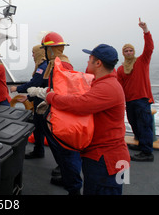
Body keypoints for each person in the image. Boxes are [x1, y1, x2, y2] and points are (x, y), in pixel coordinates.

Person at [46, 44, 130, 195]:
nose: (87, 63)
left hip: (107, 160)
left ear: (98, 63)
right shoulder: (104, 83)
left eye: (89, 59)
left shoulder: (108, 87)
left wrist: (52, 97)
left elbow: (80, 104)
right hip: (105, 158)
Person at [27, 32, 82, 195]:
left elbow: (64, 92)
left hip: (62, 114)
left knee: (67, 151)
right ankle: (68, 178)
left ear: (51, 49)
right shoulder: (55, 64)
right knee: (63, 151)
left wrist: (42, 93)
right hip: (57, 111)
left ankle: (73, 186)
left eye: (46, 49)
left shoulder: (61, 66)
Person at [117, 18, 155, 162]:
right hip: (129, 101)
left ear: (134, 51)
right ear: (123, 53)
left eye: (130, 50)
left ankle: (147, 153)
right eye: (126, 51)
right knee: (134, 124)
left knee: (144, 125)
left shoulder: (142, 61)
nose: (128, 52)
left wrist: (145, 30)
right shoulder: (120, 69)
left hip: (142, 100)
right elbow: (119, 86)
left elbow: (149, 47)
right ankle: (141, 145)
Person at [10, 45, 48, 159]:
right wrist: (28, 98)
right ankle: (39, 151)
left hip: (42, 105)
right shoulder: (44, 66)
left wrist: (17, 89)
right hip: (39, 101)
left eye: (33, 53)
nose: (32, 55)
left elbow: (34, 84)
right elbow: (39, 86)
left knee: (42, 129)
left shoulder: (42, 67)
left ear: (39, 53)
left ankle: (41, 152)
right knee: (39, 129)